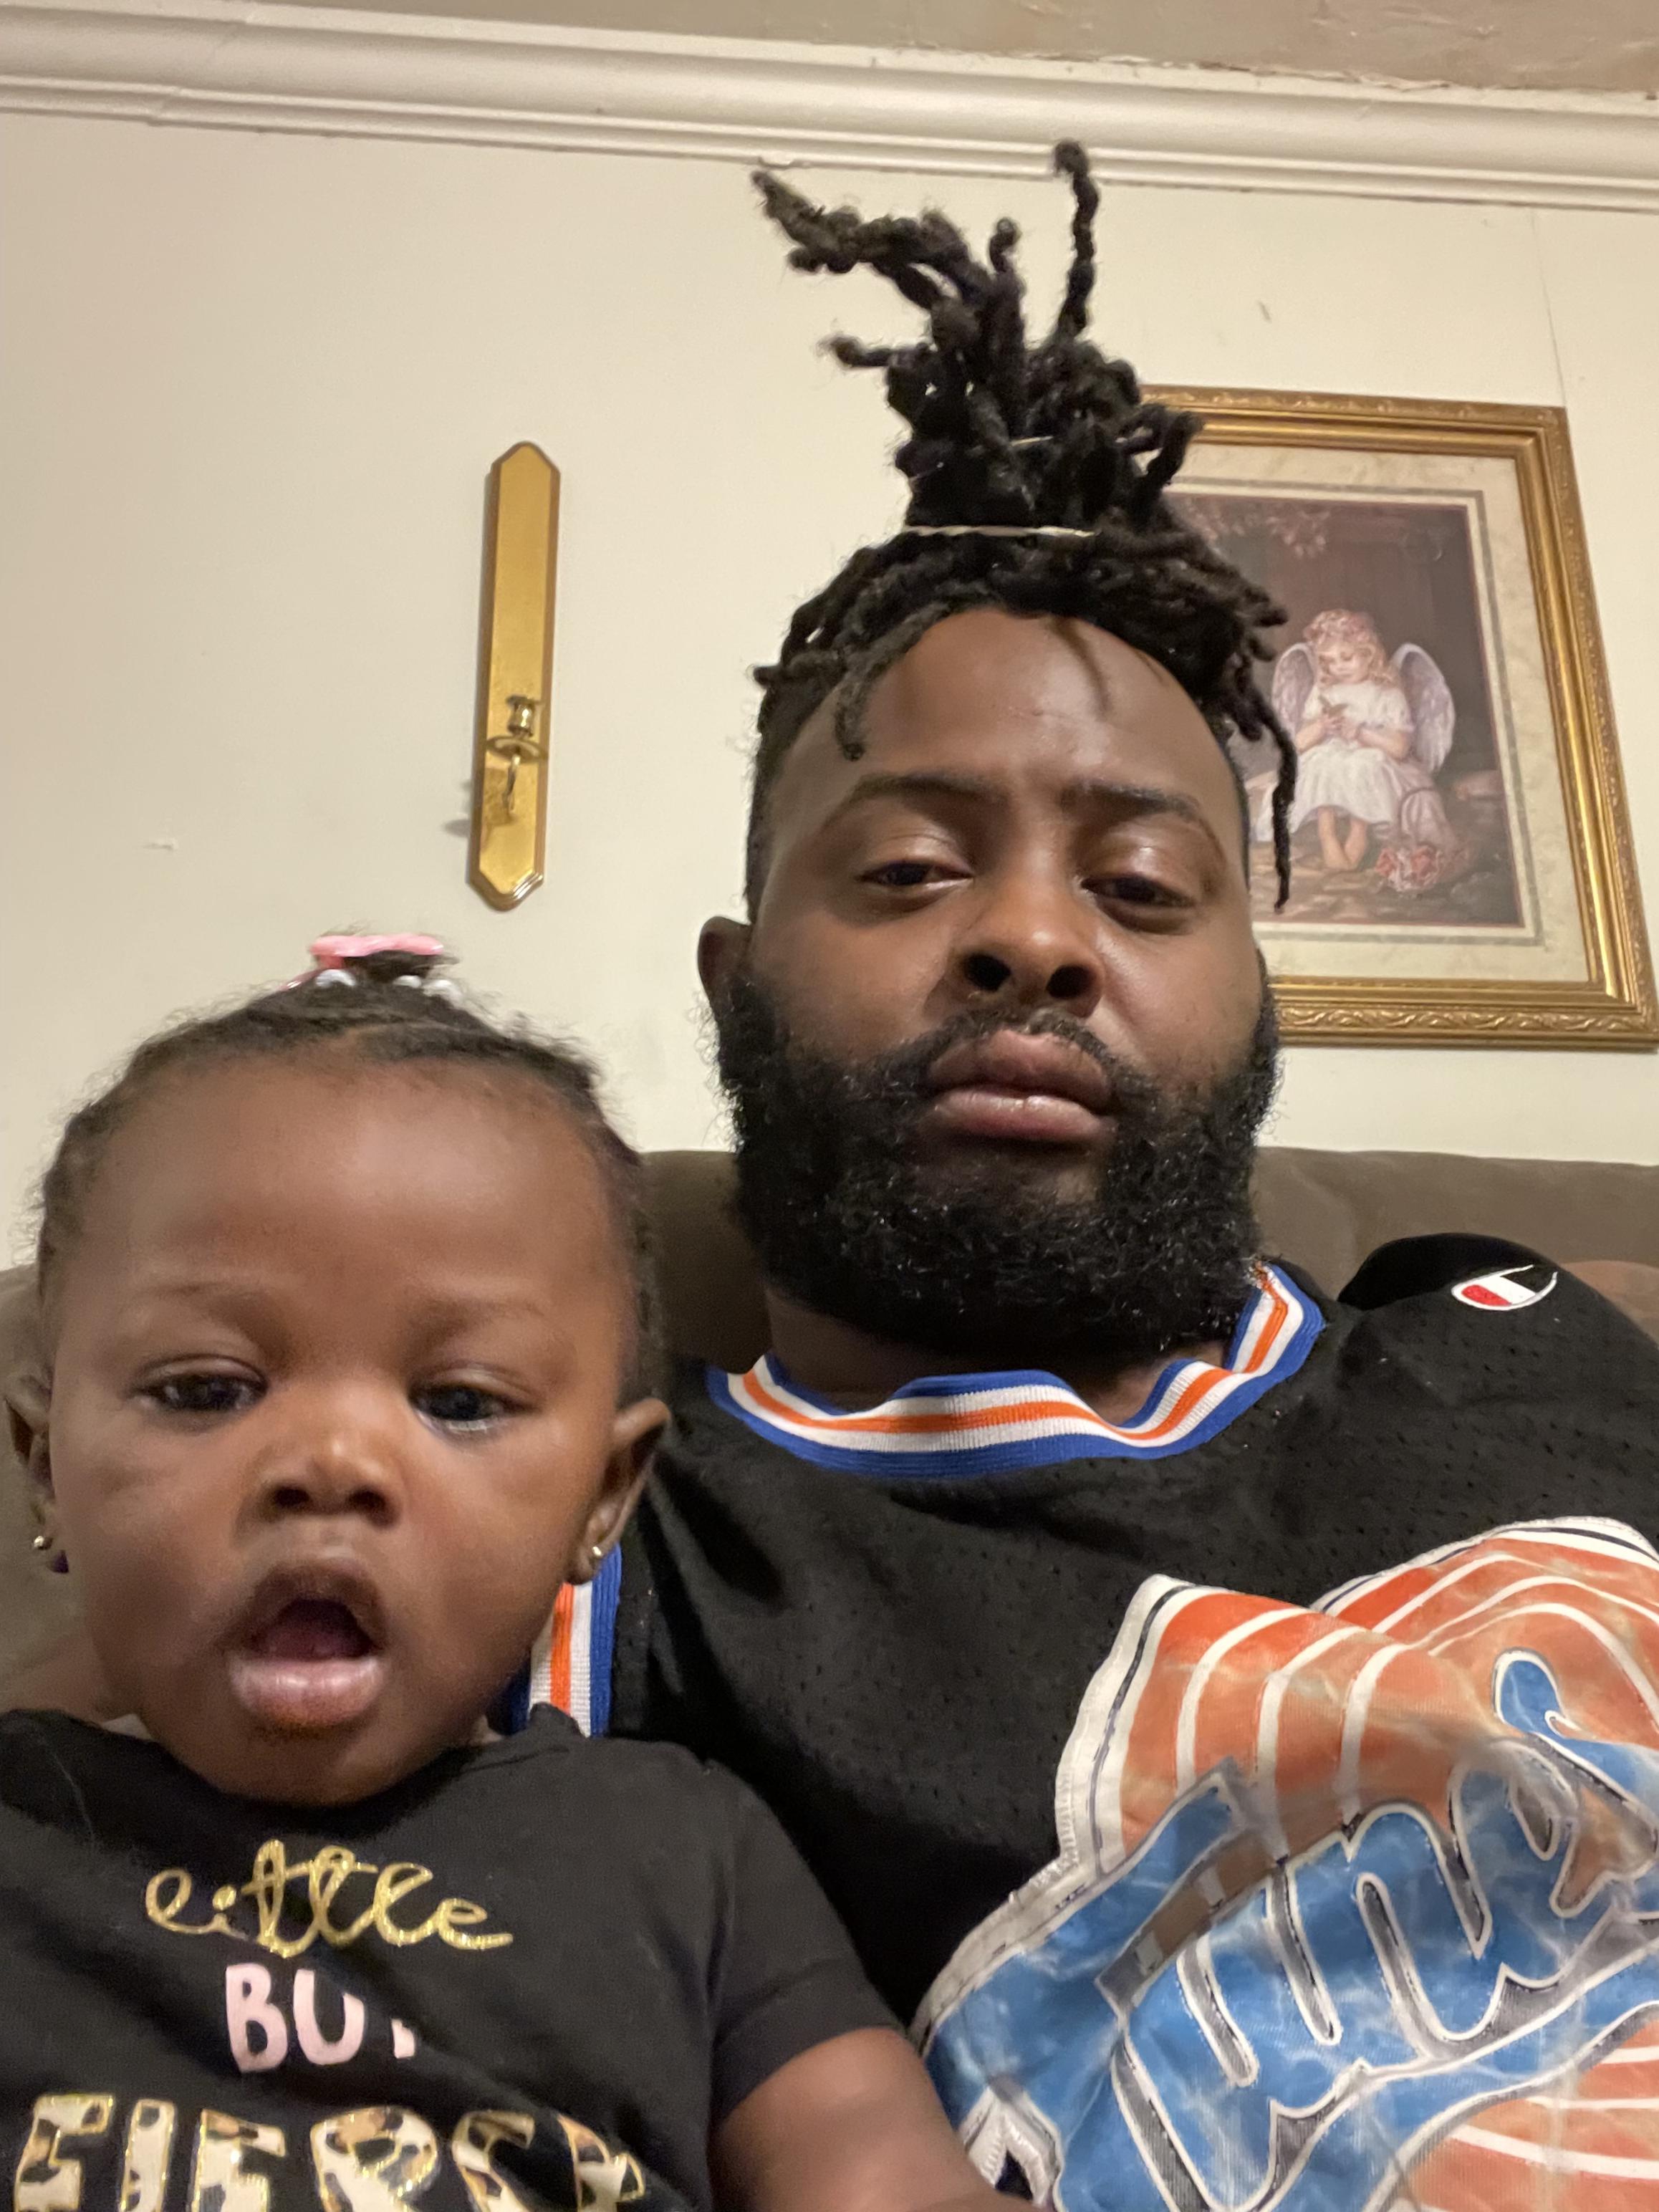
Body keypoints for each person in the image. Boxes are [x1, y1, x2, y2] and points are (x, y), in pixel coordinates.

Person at [600, 153, 1659, 2204]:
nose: (1029, 939)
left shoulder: (1518, 1332)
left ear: (1257, 1001)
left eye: (1144, 884)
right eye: (909, 868)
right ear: (731, 990)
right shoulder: (618, 1557)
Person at [0, 938, 1000, 2212]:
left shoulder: (687, 1855)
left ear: (604, 1498)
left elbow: (886, 2178)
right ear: (46, 1465)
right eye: (206, 1389)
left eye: (459, 1402)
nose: (331, 1464)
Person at [1268, 607, 1468, 885]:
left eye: (1346, 658)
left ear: (1368, 653)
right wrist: (1322, 726)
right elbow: (1298, 745)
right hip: (1335, 759)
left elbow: (1399, 749)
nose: (1339, 667)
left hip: (1376, 759)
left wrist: (1360, 733)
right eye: (1329, 661)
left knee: (1365, 763)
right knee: (1319, 760)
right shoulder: (1324, 691)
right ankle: (1328, 833)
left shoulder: (1387, 693)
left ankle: (1358, 832)